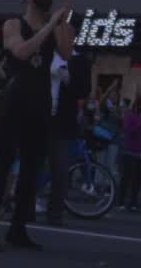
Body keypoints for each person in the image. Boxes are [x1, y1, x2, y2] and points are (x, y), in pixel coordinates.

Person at [0, 0, 74, 251]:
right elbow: (21, 52)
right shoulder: (13, 24)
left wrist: (62, 23)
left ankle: (18, 229)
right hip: (15, 100)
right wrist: (48, 25)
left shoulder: (52, 25)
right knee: (3, 164)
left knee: (31, 171)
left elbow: (66, 53)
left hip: (41, 102)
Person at [46, 51, 91, 225]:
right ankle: (23, 205)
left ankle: (55, 212)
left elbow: (84, 89)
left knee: (60, 169)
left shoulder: (79, 60)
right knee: (31, 164)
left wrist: (68, 78)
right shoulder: (43, 52)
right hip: (39, 116)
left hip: (62, 122)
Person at [118, 99, 141, 212]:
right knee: (126, 177)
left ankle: (133, 203)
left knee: (138, 179)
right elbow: (129, 131)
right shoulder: (130, 116)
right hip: (131, 151)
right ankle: (121, 202)